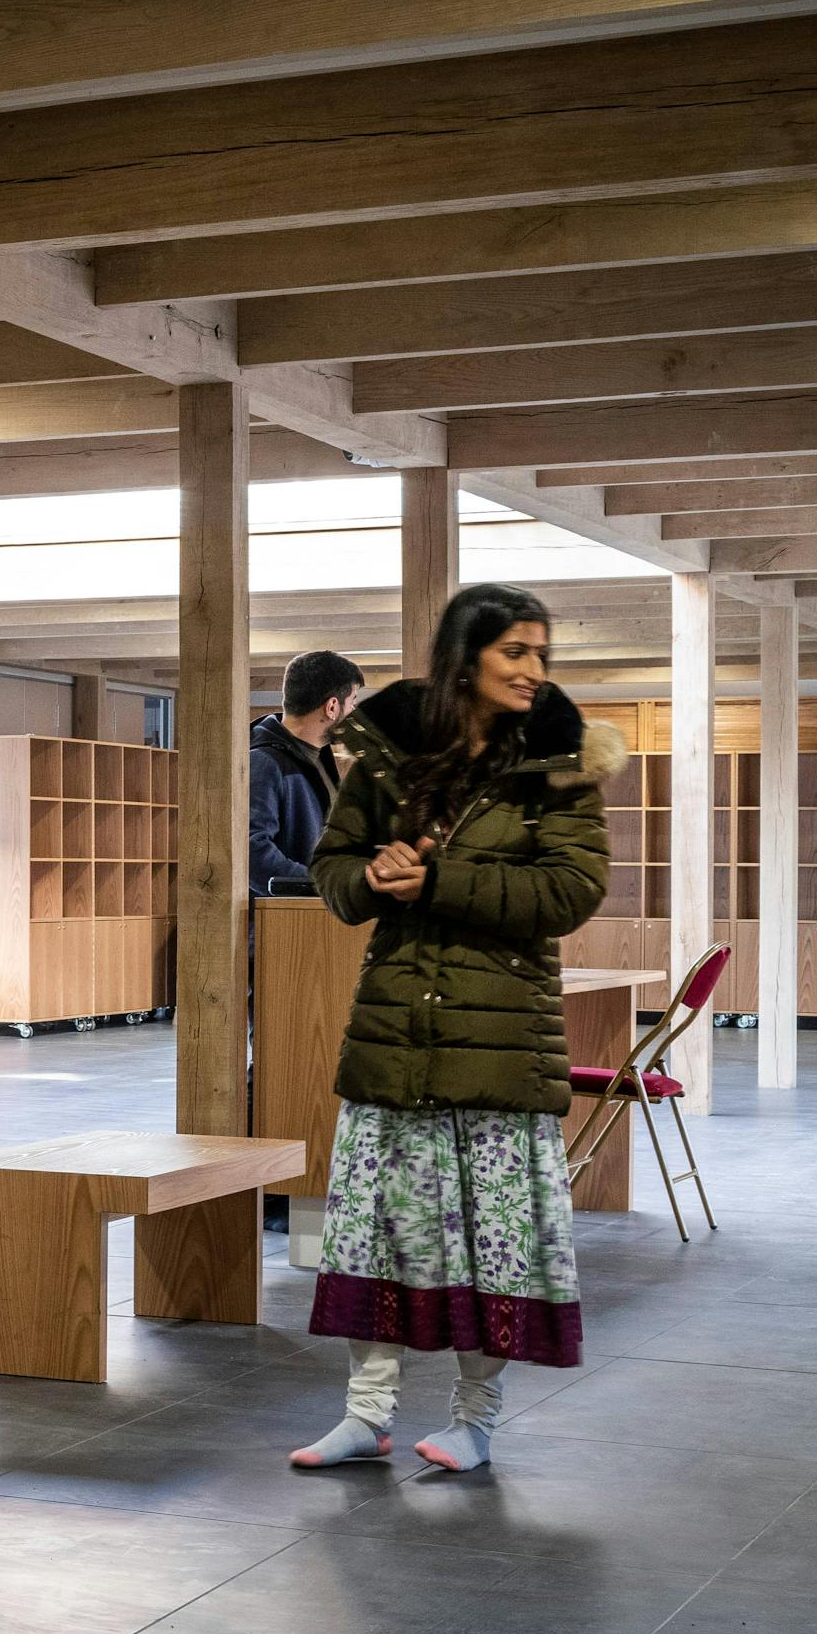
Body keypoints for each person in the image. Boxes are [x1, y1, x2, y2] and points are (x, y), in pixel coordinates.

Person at [289, 584, 616, 1475]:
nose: (534, 671)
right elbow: (334, 868)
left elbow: (569, 892)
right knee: (375, 1231)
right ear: (466, 656)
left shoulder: (560, 762)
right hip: (397, 1035)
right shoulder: (389, 754)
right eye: (517, 651)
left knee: (495, 1242)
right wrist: (376, 873)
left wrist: (438, 885)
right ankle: (366, 1416)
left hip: (503, 1043)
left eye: (542, 654)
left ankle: (475, 1421)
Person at [252, 650, 363, 896]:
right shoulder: (264, 762)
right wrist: (319, 883)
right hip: (281, 926)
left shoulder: (320, 760)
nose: (354, 711)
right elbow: (252, 852)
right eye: (353, 701)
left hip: (313, 921)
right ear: (332, 706)